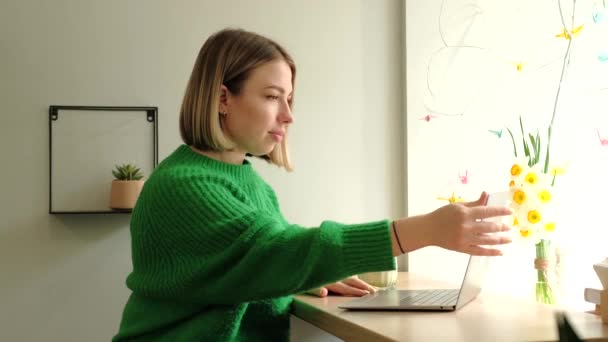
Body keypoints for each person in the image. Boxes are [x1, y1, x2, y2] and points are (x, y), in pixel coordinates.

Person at [112, 28, 512, 341]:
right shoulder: (183, 187)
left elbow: (257, 264)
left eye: (289, 99)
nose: (288, 115)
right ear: (222, 99)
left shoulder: (249, 182)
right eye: (273, 97)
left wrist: (306, 275)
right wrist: (422, 230)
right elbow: (274, 252)